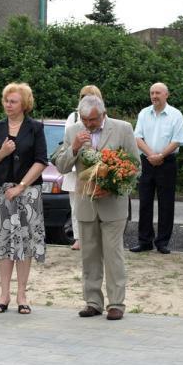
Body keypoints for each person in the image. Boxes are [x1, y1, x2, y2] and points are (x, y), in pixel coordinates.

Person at [54, 95, 140, 320]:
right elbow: (62, 167)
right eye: (84, 120)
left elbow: (135, 166)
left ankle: (116, 304)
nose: (88, 124)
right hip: (86, 203)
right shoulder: (73, 131)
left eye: (92, 120)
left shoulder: (123, 128)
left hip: (113, 204)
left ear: (103, 114)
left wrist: (112, 187)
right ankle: (92, 302)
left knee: (113, 255)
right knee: (89, 256)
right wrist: (74, 148)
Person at [0, 83, 48, 315]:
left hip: (27, 193)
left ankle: (22, 295)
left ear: (24, 104)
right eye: (6, 101)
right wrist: (2, 153)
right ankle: (4, 295)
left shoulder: (36, 128)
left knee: (25, 244)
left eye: (13, 101)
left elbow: (41, 161)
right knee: (3, 243)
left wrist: (21, 186)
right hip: (1, 193)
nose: (8, 105)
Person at [130, 82, 183, 254]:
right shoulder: (143, 113)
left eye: (158, 93)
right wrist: (151, 155)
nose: (154, 96)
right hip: (146, 161)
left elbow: (177, 140)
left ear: (166, 95)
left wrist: (160, 156)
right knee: (145, 202)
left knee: (166, 203)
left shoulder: (175, 114)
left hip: (167, 162)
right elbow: (137, 137)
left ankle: (162, 242)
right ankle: (144, 241)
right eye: (152, 93)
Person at [63, 85, 103, 251]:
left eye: (90, 96)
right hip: (75, 170)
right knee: (76, 205)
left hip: (97, 168)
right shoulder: (73, 117)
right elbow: (67, 140)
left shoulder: (102, 117)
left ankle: (96, 236)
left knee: (96, 203)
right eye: (83, 96)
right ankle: (78, 237)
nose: (86, 99)